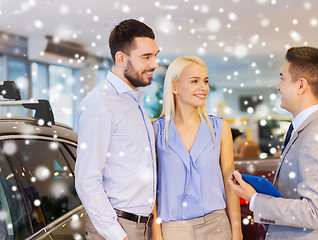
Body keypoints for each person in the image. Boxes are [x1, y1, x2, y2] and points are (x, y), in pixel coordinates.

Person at [228, 46, 318, 239]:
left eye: (282, 78)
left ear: (301, 85)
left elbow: (314, 213)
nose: (278, 86)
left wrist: (254, 199)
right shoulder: (308, 130)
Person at [75, 19, 159, 240]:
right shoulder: (100, 104)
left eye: (155, 55)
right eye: (146, 57)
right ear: (121, 58)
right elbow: (87, 180)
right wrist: (118, 236)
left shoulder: (135, 100)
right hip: (117, 228)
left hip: (140, 226)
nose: (155, 64)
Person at [151, 56, 243, 240]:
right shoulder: (156, 131)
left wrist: (236, 229)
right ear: (174, 87)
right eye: (195, 81)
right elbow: (150, 188)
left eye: (205, 81)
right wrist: (156, 232)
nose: (204, 87)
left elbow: (229, 181)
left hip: (217, 225)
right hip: (174, 229)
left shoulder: (219, 128)